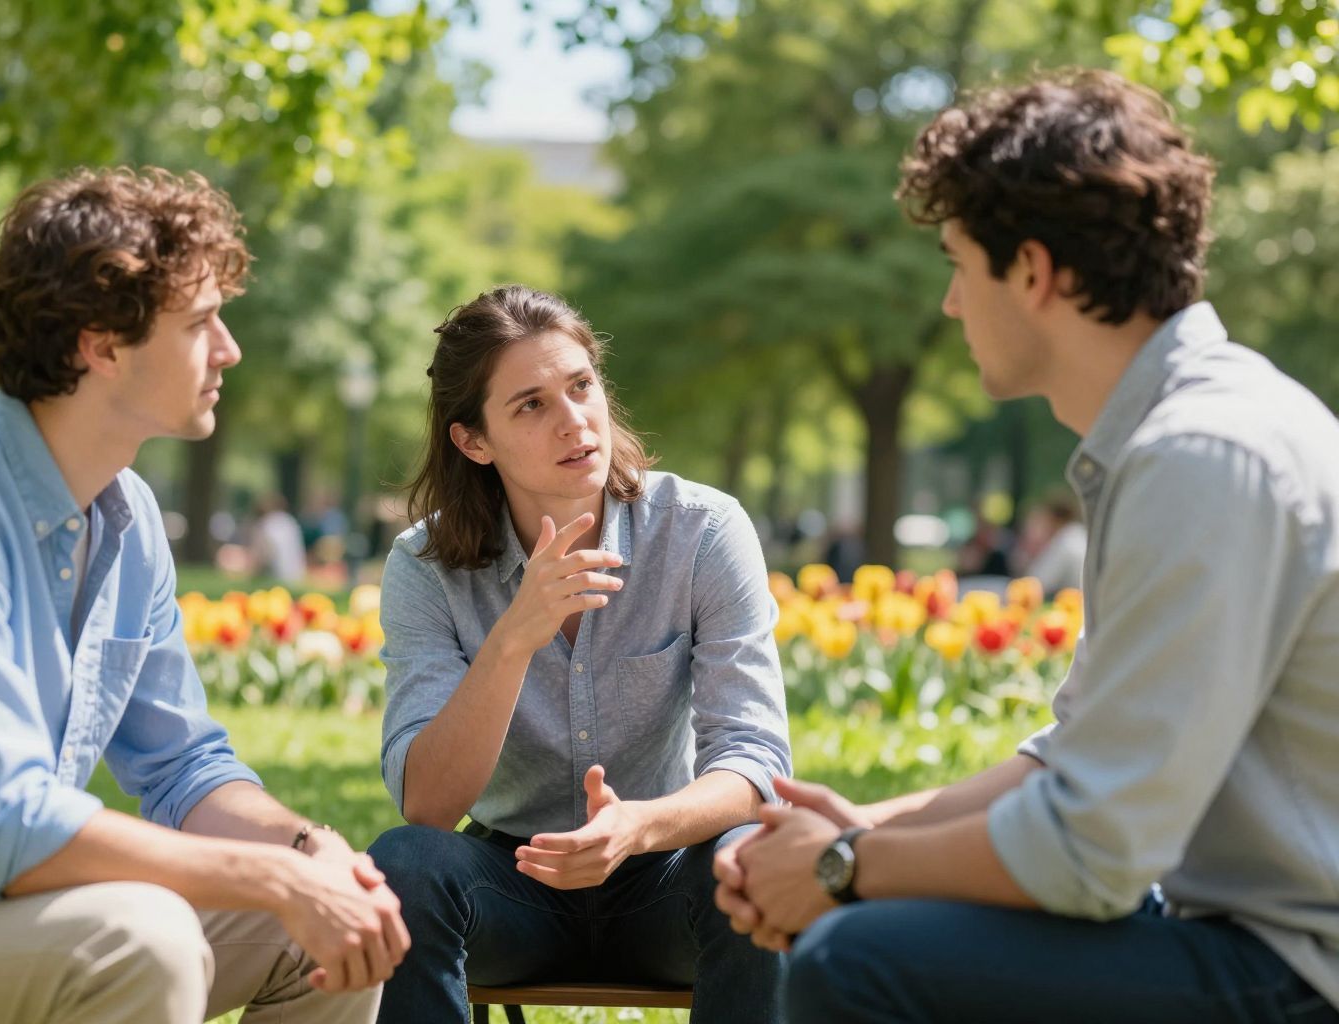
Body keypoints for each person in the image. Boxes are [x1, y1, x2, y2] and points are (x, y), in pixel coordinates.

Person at [715, 69, 1339, 1024]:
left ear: (1035, 272)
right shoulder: (1179, 439)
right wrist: (861, 827)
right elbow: (1068, 762)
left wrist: (842, 868)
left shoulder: (1202, 455)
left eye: (961, 265)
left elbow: (1094, 850)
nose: (951, 304)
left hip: (1301, 973)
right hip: (1241, 934)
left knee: (859, 959)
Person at [0, 167, 407, 1024]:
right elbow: (5, 827)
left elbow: (183, 766)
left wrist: (309, 853)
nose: (228, 349)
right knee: (142, 939)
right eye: (199, 323)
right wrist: (272, 877)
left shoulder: (128, 517)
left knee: (321, 924)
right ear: (102, 346)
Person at [367, 285, 792, 1023]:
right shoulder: (424, 566)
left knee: (755, 858)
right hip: (511, 884)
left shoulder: (703, 531)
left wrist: (637, 827)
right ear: (473, 441)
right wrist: (513, 637)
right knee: (403, 864)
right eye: (531, 405)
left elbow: (757, 765)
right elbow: (428, 805)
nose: (574, 421)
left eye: (581, 386)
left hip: (664, 877)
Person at [1015, 490, 1087, 596]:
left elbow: (1035, 585)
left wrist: (1028, 555)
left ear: (1053, 518)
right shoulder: (1078, 533)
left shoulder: (1066, 540)